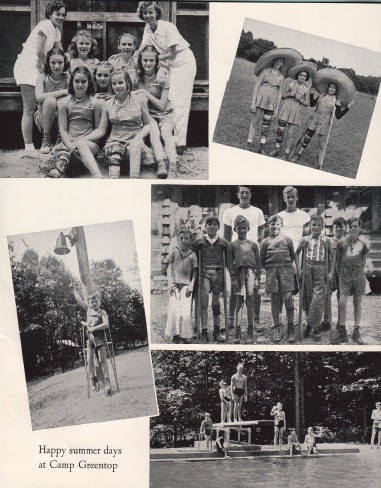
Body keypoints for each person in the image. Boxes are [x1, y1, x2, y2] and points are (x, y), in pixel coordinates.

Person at [138, 1, 197, 153]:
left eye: (151, 12)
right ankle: (167, 139)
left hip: (183, 62)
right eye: (145, 13)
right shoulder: (147, 29)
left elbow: (172, 53)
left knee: (179, 101)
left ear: (156, 12)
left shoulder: (167, 27)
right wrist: (130, 61)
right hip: (168, 64)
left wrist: (156, 61)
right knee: (168, 98)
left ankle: (180, 143)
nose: (148, 15)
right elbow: (142, 50)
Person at [13, 0, 67, 153]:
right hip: (28, 65)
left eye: (63, 15)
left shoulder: (56, 31)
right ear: (50, 13)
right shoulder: (45, 25)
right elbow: (40, 52)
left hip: (39, 66)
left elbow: (60, 52)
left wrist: (71, 64)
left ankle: (48, 140)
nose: (61, 17)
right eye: (58, 14)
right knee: (29, 108)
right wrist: (46, 68)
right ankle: (28, 146)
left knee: (42, 105)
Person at [86, 69, 151, 179]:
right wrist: (84, 139)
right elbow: (101, 130)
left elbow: (148, 125)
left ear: (127, 83)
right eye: (114, 83)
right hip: (115, 143)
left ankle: (134, 179)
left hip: (134, 143)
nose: (117, 86)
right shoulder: (108, 104)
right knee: (114, 151)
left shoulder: (139, 100)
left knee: (135, 145)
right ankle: (113, 180)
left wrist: (139, 137)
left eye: (120, 82)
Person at [46, 66, 103, 178]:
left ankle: (97, 176)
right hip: (69, 143)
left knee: (81, 145)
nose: (80, 84)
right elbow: (63, 129)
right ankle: (53, 176)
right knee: (62, 158)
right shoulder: (63, 103)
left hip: (89, 143)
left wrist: (81, 141)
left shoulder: (96, 103)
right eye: (77, 81)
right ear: (71, 82)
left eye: (83, 81)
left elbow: (98, 129)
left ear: (89, 82)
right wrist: (71, 146)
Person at [223, 186, 266, 332]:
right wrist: (228, 257)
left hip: (252, 253)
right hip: (236, 254)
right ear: (237, 194)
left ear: (251, 194)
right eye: (242, 192)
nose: (244, 195)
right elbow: (226, 237)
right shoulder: (229, 212)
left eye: (247, 192)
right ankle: (231, 320)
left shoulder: (258, 212)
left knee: (254, 290)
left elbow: (262, 235)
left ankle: (256, 320)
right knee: (234, 289)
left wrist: (259, 253)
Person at [135, 45, 177, 179]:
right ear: (141, 61)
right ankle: (161, 163)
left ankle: (173, 165)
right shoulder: (137, 77)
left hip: (166, 113)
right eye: (145, 60)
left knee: (166, 133)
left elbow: (162, 105)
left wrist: (145, 92)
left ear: (156, 62)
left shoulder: (162, 76)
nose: (148, 63)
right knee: (153, 131)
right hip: (148, 114)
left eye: (151, 60)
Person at [194, 215, 234, 343]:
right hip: (204, 273)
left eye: (215, 224)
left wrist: (232, 277)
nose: (212, 226)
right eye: (209, 224)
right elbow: (194, 261)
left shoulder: (223, 243)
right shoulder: (199, 242)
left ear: (218, 227)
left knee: (216, 303)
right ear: (205, 227)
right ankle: (204, 330)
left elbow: (228, 262)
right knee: (204, 302)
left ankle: (216, 330)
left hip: (218, 273)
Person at [291, 83, 351, 169]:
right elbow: (312, 104)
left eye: (334, 88)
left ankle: (320, 163)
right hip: (315, 118)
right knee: (307, 138)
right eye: (330, 87)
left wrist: (347, 108)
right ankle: (298, 154)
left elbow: (338, 116)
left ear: (336, 90)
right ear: (328, 87)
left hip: (324, 122)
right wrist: (311, 93)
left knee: (321, 143)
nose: (331, 89)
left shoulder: (336, 100)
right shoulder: (322, 96)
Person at [260, 215, 297, 343]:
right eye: (272, 224)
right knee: (275, 299)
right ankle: (277, 327)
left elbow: (292, 256)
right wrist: (272, 268)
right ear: (268, 226)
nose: (274, 226)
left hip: (286, 271)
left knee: (288, 298)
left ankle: (291, 326)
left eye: (277, 224)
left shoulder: (287, 240)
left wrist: (284, 267)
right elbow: (262, 259)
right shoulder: (265, 242)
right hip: (271, 272)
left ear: (281, 225)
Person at [296, 215, 333, 341]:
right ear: (309, 226)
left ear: (322, 227)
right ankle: (311, 326)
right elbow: (296, 254)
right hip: (308, 267)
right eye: (313, 225)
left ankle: (312, 325)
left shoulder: (327, 240)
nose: (316, 227)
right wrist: (298, 268)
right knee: (308, 297)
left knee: (318, 298)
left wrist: (331, 272)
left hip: (321, 268)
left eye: (318, 225)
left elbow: (333, 257)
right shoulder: (305, 239)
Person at [334, 217, 370, 345]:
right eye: (350, 226)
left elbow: (364, 260)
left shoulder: (363, 244)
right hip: (344, 275)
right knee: (342, 301)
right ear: (347, 228)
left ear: (360, 228)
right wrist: (341, 273)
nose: (353, 228)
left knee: (357, 302)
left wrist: (358, 272)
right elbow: (337, 261)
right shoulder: (341, 243)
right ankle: (342, 331)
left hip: (359, 276)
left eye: (355, 226)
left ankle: (356, 330)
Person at [269, 63, 316, 160]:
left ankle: (286, 152)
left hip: (296, 111)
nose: (302, 77)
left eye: (304, 76)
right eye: (301, 75)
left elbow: (307, 103)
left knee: (290, 133)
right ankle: (277, 148)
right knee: (280, 130)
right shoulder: (291, 83)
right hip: (286, 108)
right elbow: (282, 96)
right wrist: (289, 94)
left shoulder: (306, 89)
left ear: (306, 78)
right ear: (297, 75)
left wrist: (300, 99)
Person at [72, 288, 111, 397]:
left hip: (100, 338)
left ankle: (107, 381)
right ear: (89, 304)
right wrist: (74, 290)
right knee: (89, 360)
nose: (94, 303)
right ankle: (92, 379)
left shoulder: (102, 312)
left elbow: (106, 324)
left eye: (95, 301)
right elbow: (80, 301)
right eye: (91, 302)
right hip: (91, 339)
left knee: (102, 360)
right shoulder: (88, 311)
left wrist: (93, 328)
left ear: (99, 301)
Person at [230, 215, 261, 343]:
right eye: (239, 228)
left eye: (244, 228)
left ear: (248, 229)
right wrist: (233, 278)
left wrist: (258, 278)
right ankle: (237, 331)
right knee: (239, 302)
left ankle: (250, 331)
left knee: (250, 302)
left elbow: (258, 263)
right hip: (238, 275)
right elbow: (230, 264)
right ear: (234, 229)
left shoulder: (253, 245)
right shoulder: (232, 245)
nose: (242, 231)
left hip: (251, 274)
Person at [164, 228, 198, 344]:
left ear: (190, 240)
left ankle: (184, 336)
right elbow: (169, 268)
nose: (183, 240)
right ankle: (175, 335)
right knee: (173, 309)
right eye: (181, 238)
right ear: (178, 240)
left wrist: (192, 284)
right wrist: (169, 282)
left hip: (186, 286)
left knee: (186, 311)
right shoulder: (174, 252)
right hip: (174, 285)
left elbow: (195, 272)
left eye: (186, 238)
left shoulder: (192, 255)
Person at [35, 47, 70, 154]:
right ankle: (46, 140)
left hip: (63, 115)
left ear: (64, 63)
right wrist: (63, 91)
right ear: (48, 63)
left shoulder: (67, 76)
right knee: (50, 101)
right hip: (44, 115)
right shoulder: (43, 77)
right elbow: (39, 97)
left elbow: (71, 95)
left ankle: (60, 139)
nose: (57, 66)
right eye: (53, 63)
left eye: (60, 62)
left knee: (63, 102)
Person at [247, 57, 285, 154]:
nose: (278, 62)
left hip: (272, 102)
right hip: (261, 99)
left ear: (282, 64)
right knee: (255, 121)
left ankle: (262, 147)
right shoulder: (265, 71)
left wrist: (276, 108)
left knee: (266, 125)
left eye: (281, 61)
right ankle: (249, 143)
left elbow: (280, 93)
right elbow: (257, 86)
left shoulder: (281, 77)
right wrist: (253, 102)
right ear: (273, 61)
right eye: (277, 60)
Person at [322, 217, 347, 339]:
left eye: (341, 226)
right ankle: (326, 320)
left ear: (345, 228)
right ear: (333, 228)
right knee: (327, 294)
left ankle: (340, 322)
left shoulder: (347, 241)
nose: (338, 229)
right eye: (336, 227)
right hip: (331, 271)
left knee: (341, 297)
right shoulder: (329, 241)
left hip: (342, 271)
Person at [277, 186, 310, 252]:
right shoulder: (279, 216)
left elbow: (306, 236)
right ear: (284, 199)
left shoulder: (304, 215)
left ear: (297, 198)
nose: (290, 199)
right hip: (284, 250)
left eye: (293, 197)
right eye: (288, 197)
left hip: (299, 250)